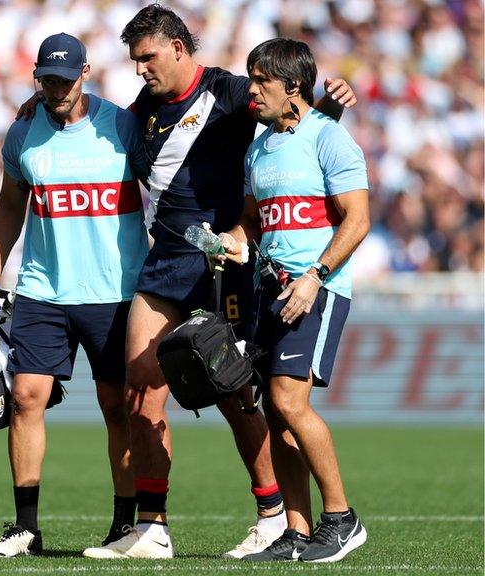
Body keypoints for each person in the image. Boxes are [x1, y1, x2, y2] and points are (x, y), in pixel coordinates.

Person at [80, 4, 358, 560]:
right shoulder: (140, 114)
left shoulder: (232, 92)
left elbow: (294, 132)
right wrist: (40, 102)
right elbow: (87, 125)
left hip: (227, 265)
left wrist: (329, 106)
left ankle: (273, 515)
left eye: (148, 57)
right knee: (140, 390)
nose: (140, 69)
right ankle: (152, 528)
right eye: (135, 60)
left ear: (179, 48)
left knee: (237, 396)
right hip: (166, 267)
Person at [0, 32, 150, 557]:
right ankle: (25, 528)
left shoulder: (122, 125)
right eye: (47, 79)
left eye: (65, 79)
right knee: (26, 397)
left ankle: (124, 525)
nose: (56, 89)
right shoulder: (23, 132)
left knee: (116, 406)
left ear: (86, 73)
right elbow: (9, 207)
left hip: (115, 290)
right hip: (41, 288)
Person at [216, 37, 369, 563]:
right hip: (268, 289)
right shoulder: (259, 148)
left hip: (315, 288)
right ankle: (298, 532)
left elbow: (358, 219)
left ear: (293, 87)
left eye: (261, 81)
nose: (251, 90)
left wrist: (315, 276)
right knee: (275, 413)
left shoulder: (330, 139)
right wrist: (233, 241)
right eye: (250, 78)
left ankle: (342, 519)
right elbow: (254, 221)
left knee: (288, 401)